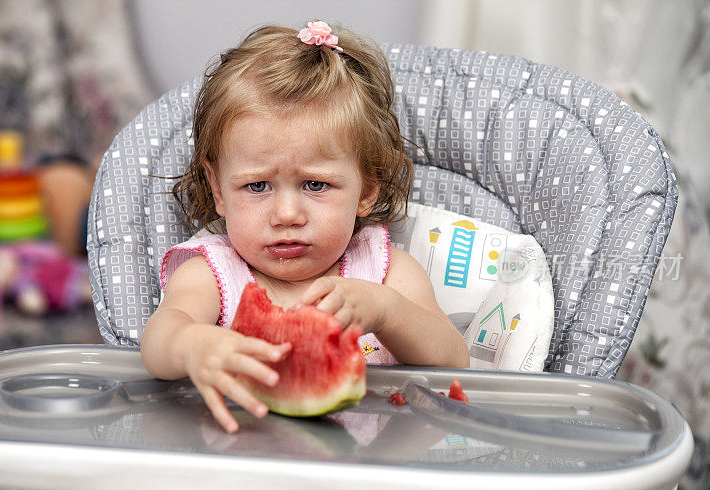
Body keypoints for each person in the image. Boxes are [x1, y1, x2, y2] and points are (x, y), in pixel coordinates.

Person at [141, 21, 469, 435]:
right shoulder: (211, 273)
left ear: (366, 190)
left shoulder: (387, 271)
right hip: (243, 478)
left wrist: (386, 311)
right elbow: (159, 338)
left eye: (316, 185)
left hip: (370, 483)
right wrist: (191, 346)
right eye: (257, 185)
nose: (287, 214)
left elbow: (454, 360)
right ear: (217, 189)